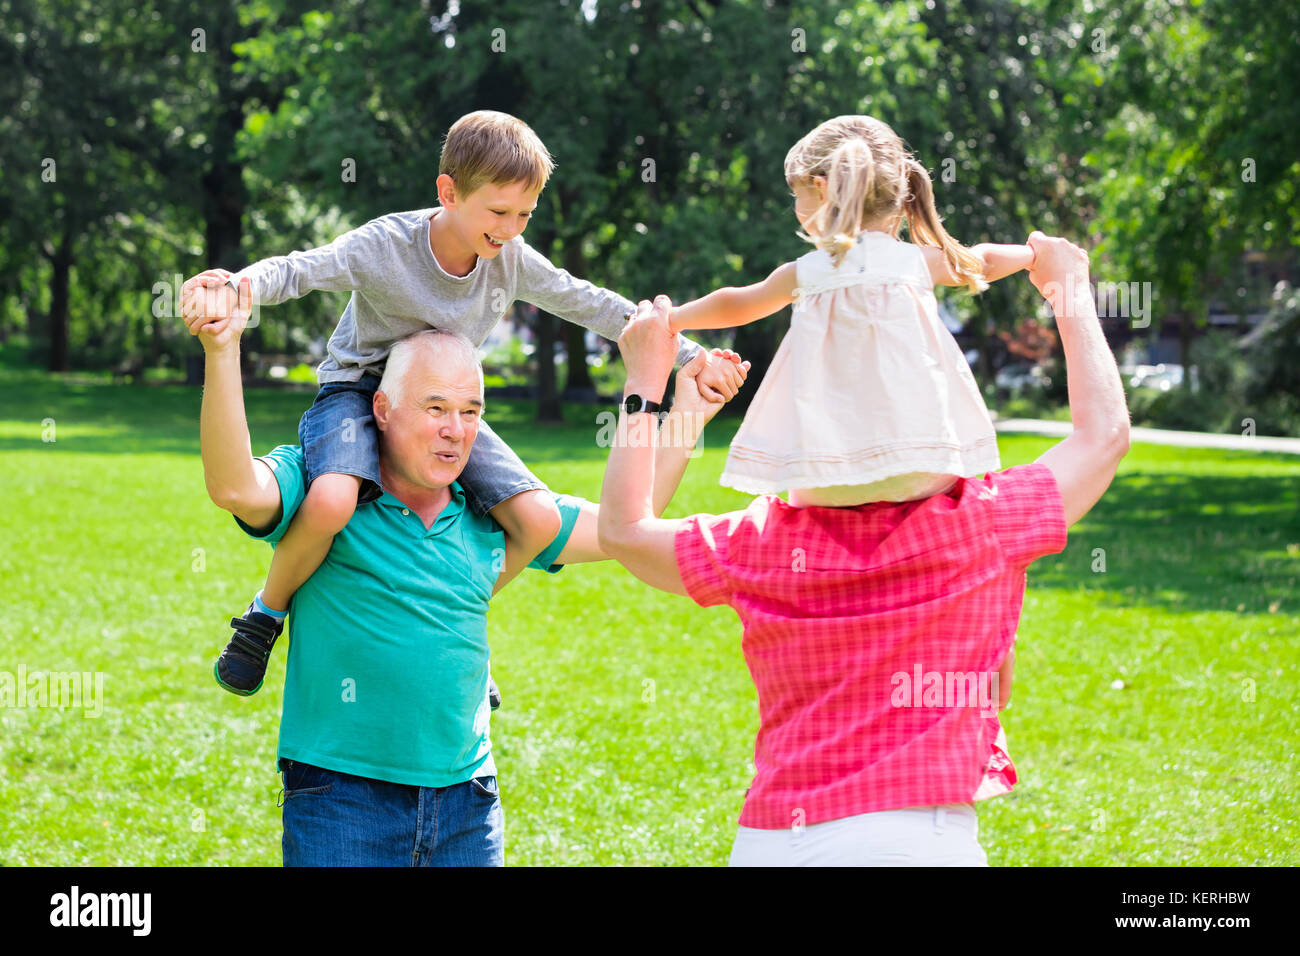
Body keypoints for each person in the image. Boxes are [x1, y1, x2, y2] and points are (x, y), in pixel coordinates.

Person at [599, 230, 1130, 866]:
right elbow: (1103, 436)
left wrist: (649, 384)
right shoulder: (986, 523)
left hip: (775, 843)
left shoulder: (758, 545)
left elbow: (625, 529)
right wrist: (1069, 288)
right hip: (919, 842)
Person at [179, 110, 740, 696]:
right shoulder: (386, 245)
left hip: (446, 405)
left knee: (538, 518)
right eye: (499, 212)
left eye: (525, 214)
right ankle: (265, 615)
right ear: (448, 191)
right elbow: (301, 269)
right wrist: (235, 286)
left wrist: (687, 356)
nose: (511, 228)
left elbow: (590, 303)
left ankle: (456, 620)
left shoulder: (511, 259)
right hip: (357, 392)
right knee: (331, 500)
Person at [195, 293, 748, 864]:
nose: (454, 431)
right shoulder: (325, 484)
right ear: (381, 410)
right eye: (434, 409)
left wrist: (685, 414)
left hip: (468, 802)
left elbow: (626, 524)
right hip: (342, 799)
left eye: (470, 412)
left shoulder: (493, 508)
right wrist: (222, 347)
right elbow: (235, 487)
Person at [667, 114, 1036, 507]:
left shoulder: (809, 271)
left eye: (797, 195)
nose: (796, 207)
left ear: (822, 190)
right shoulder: (914, 262)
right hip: (923, 459)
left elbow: (737, 302)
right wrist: (1034, 254)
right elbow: (982, 261)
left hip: (828, 473)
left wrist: (673, 318)